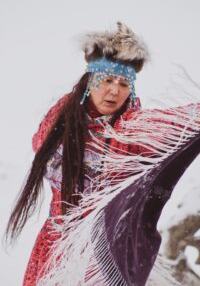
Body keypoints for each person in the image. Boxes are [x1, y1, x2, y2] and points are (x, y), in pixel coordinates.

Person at [6, 22, 200, 286]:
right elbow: (38, 142)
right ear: (89, 80)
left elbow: (183, 122)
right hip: (53, 246)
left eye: (123, 83)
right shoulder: (59, 120)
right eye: (107, 79)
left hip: (101, 255)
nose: (114, 91)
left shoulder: (131, 130)